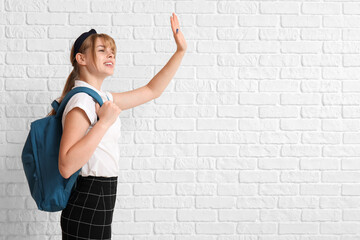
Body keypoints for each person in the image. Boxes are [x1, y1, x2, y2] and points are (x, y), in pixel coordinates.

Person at [46, 12, 187, 239]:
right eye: (102, 50)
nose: (110, 54)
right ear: (81, 59)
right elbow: (66, 164)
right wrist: (104, 123)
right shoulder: (81, 101)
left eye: (112, 51)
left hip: (101, 197)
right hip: (89, 197)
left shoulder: (100, 98)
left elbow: (152, 90)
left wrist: (180, 52)